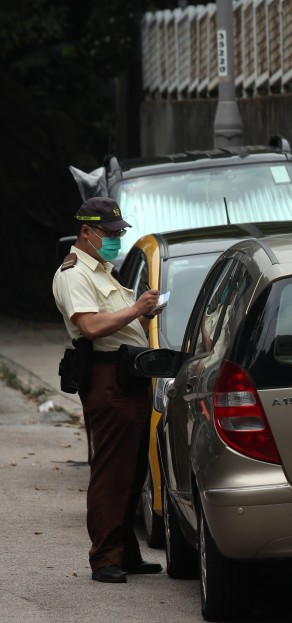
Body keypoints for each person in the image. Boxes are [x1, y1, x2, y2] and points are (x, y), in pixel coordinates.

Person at [52, 197, 165, 583]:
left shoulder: (102, 270)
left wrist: (143, 309)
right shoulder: (74, 273)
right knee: (112, 470)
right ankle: (104, 558)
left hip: (128, 376)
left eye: (119, 233)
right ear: (86, 231)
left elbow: (114, 320)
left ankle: (126, 551)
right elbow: (92, 327)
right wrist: (136, 310)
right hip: (106, 377)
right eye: (110, 233)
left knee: (132, 471)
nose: (116, 240)